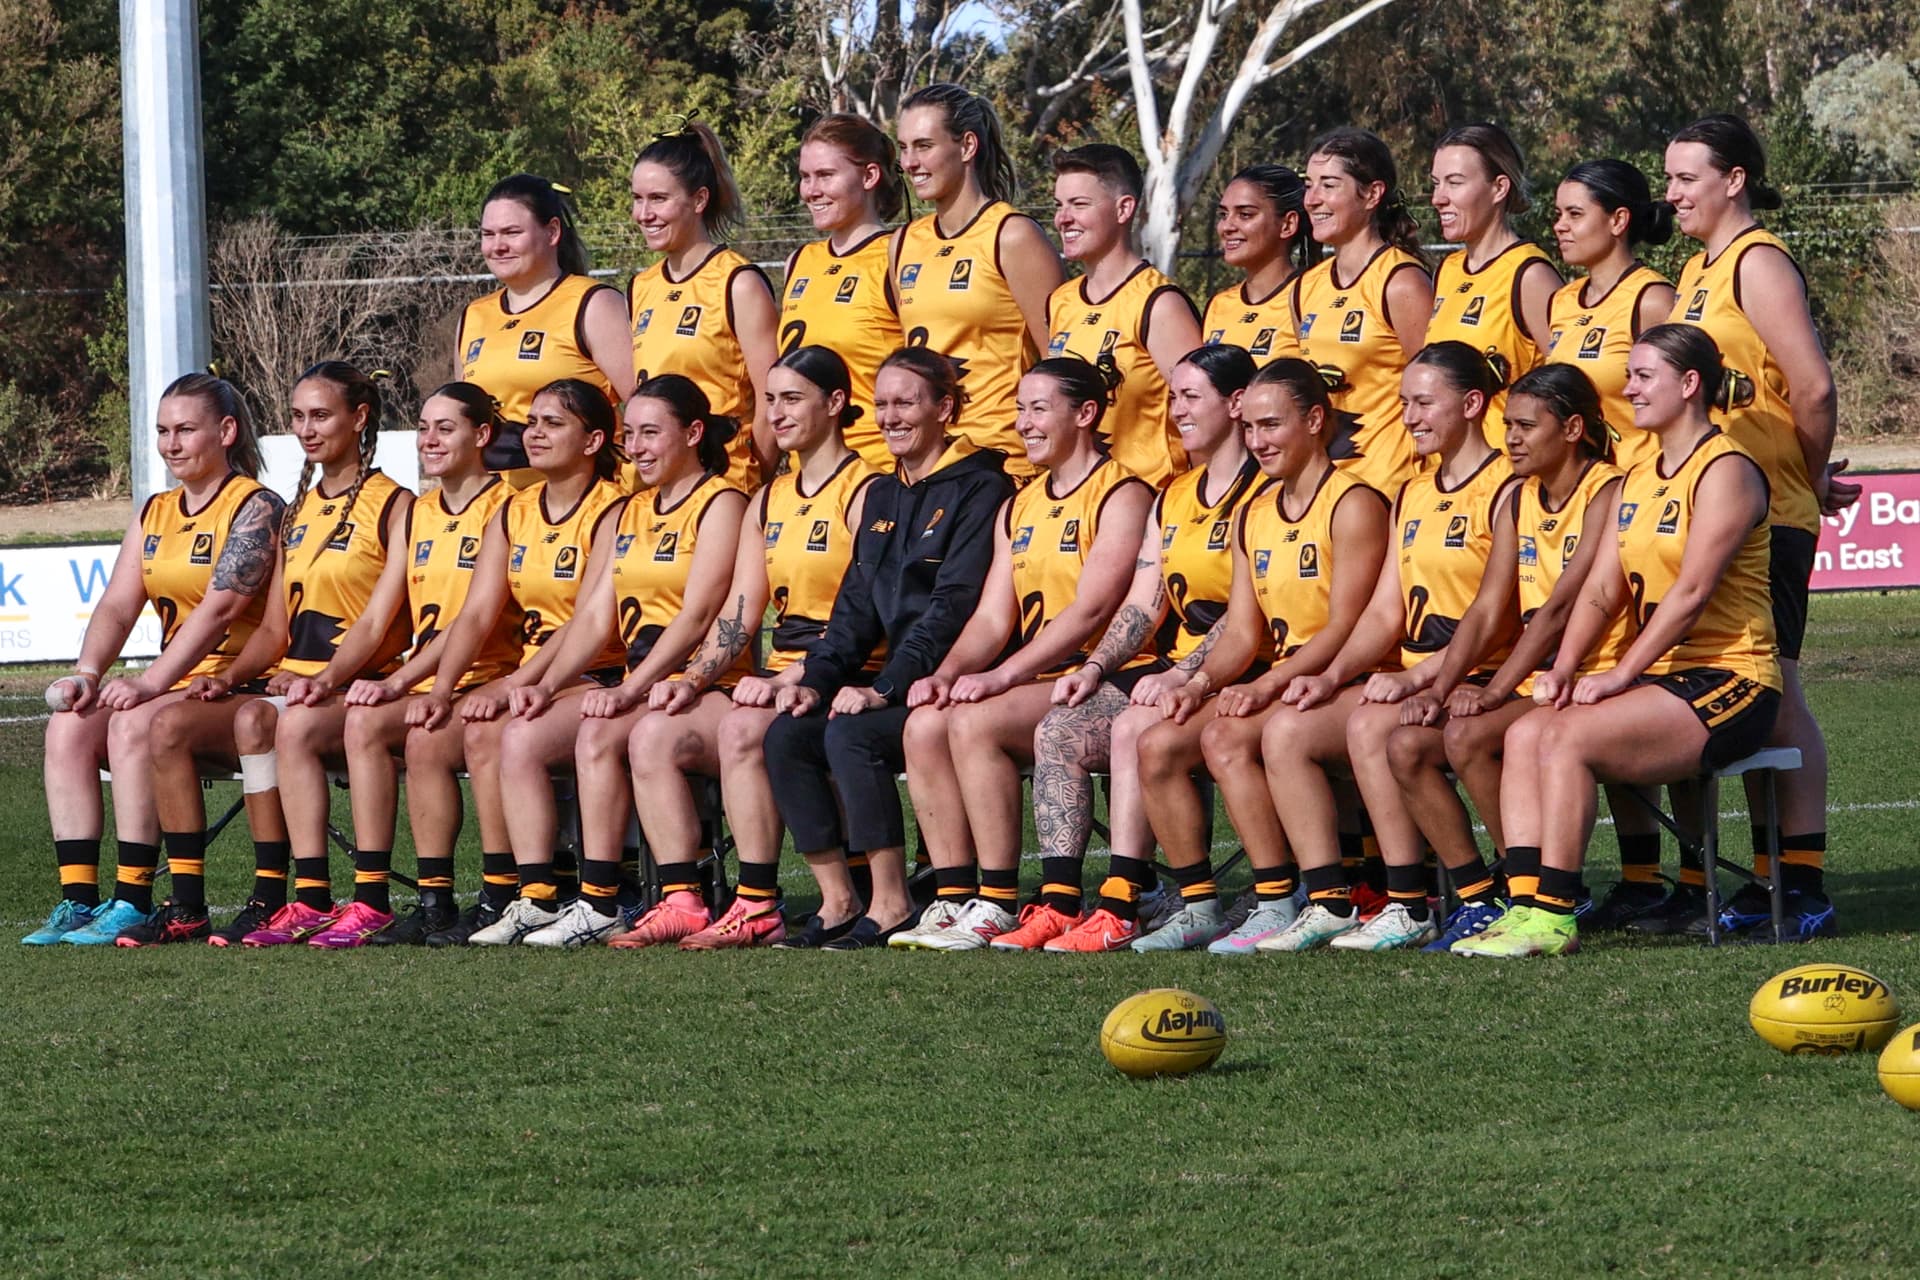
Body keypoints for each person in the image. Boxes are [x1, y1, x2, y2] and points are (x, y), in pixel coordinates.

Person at [1464, 324, 1781, 957]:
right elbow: (1601, 591)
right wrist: (1564, 667)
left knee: (1568, 738)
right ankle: (1524, 905)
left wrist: (1618, 674)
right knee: (1526, 732)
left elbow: (1691, 593)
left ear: (1689, 384)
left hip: (1732, 679)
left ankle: (1555, 916)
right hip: (1663, 682)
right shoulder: (1637, 476)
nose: (1628, 388)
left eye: (1642, 376)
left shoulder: (1727, 470)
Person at [139, 361, 413, 947]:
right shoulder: (298, 511)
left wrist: (328, 678)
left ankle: (336, 897)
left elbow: (381, 623)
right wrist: (230, 676)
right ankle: (277, 901)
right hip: (300, 689)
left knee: (279, 723)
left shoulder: (395, 504)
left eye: (321, 416)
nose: (306, 429)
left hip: (360, 686)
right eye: (297, 417)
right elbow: (273, 631)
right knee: (225, 717)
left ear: (359, 418)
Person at [1253, 342, 1515, 952]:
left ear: (1472, 404)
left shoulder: (1506, 487)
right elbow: (1384, 612)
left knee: (1374, 727)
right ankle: (1343, 901)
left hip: (1493, 676)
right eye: (1403, 403)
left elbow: (1498, 618)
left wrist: (1423, 679)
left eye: (1424, 403)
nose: (1409, 417)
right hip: (1426, 677)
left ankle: (1449, 895)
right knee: (1290, 729)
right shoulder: (1413, 492)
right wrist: (1332, 675)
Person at [1661, 113, 1852, 940]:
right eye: (1668, 179)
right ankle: (1768, 878)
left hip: (1768, 517)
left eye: (1686, 178)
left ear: (1734, 179)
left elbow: (1812, 387)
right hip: (1721, 513)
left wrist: (1806, 476)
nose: (1672, 193)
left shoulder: (1758, 261)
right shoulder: (1695, 270)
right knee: (1750, 693)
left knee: (1779, 694)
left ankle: (1801, 885)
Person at [889, 356, 1153, 952]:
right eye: (1018, 409)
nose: (1023, 423)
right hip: (1045, 677)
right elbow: (991, 616)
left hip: (1110, 674)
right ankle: (954, 896)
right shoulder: (1021, 503)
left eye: (1038, 409)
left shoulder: (1123, 493)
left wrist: (1003, 675)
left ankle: (1001, 900)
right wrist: (949, 673)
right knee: (927, 720)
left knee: (975, 722)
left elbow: (1091, 610)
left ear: (1085, 414)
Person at [473, 375, 748, 947]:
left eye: (652, 433)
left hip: (707, 687)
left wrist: (631, 687)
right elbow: (594, 619)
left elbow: (698, 615)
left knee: (614, 733)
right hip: (644, 686)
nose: (638, 447)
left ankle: (632, 898)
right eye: (632, 435)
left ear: (693, 433)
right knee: (521, 734)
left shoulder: (722, 502)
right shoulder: (631, 510)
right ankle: (542, 898)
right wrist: (546, 685)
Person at [765, 347, 1013, 950]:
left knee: (851, 735)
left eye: (906, 403)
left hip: (952, 679)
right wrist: (815, 681)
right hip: (901, 680)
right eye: (881, 404)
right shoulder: (883, 493)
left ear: (944, 409)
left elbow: (952, 608)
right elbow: (854, 610)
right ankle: (839, 901)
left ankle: (893, 901)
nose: (890, 417)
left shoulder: (982, 486)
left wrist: (884, 687)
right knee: (788, 733)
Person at [26, 374, 282, 946]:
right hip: (176, 688)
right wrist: (87, 673)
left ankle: (133, 898)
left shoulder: (256, 506)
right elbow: (118, 605)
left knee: (133, 722)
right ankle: (78, 901)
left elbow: (220, 611)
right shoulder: (156, 510)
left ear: (226, 431)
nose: (171, 443)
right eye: (163, 431)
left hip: (240, 686)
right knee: (69, 725)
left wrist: (148, 683)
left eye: (186, 429)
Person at [1389, 364, 1633, 950]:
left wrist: (1495, 690)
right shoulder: (1520, 496)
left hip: (1594, 676)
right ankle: (1493, 895)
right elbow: (1484, 608)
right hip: (1538, 678)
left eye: (1527, 426)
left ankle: (1543, 890)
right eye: (1509, 426)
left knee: (1468, 736)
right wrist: (1439, 690)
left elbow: (1560, 608)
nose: (1513, 439)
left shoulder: (1607, 490)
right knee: (1406, 745)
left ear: (1572, 429)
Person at [1030, 345, 1262, 952]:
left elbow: (1249, 614)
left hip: (1250, 666)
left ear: (1235, 403)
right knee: (1060, 730)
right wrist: (1095, 666)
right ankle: (1059, 903)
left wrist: (1186, 674)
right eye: (1173, 396)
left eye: (1191, 397)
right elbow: (1144, 601)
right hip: (1179, 667)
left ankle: (1123, 900)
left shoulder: (1264, 489)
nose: (1177, 410)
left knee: (1136, 724)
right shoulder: (1175, 493)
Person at [414, 378, 629, 945]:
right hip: (539, 678)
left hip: (598, 673)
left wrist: (517, 682)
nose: (535, 433)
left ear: (593, 441)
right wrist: (441, 690)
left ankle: (537, 892)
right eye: (532, 422)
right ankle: (508, 896)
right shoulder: (515, 509)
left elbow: (587, 621)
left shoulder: (614, 508)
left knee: (512, 734)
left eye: (553, 423)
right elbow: (476, 613)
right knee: (441, 734)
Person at [332, 384, 518, 944]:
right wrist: (328, 679)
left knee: (426, 738)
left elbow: (473, 619)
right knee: (363, 722)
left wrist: (400, 681)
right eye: (422, 427)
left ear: (481, 435)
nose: (429, 440)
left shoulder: (509, 505)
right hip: (432, 680)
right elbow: (375, 619)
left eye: (445, 428)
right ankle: (399, 899)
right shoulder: (418, 512)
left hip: (493, 677)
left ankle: (500, 894)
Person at [893, 83, 1064, 479]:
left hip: (999, 464)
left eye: (924, 146)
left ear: (967, 146)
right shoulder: (903, 243)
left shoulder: (1012, 235)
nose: (910, 162)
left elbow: (1060, 365)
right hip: (923, 468)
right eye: (904, 148)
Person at [628, 121, 779, 484]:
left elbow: (772, 403)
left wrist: (754, 485)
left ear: (699, 200)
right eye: (637, 198)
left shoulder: (738, 284)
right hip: (657, 490)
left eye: (658, 199)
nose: (643, 213)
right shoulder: (641, 286)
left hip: (722, 483)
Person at [1043, 143, 1202, 486]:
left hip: (1149, 496)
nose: (1063, 218)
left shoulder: (1159, 304)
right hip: (1079, 501)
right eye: (1059, 205)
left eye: (1079, 204)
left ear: (1124, 209)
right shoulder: (1061, 302)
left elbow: (1207, 416)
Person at [457, 174, 633, 475]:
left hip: (582, 494)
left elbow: (647, 409)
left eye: (512, 232)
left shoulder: (594, 304)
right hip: (496, 497)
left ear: (552, 232)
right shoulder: (473, 316)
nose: (498, 246)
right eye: (488, 234)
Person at [1292, 127, 1433, 496]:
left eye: (1329, 185)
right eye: (1309, 185)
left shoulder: (1401, 282)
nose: (1312, 199)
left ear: (1372, 194)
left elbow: (1437, 392)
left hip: (1387, 487)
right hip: (1324, 488)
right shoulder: (1306, 287)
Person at [1423, 123, 1563, 446]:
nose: (1438, 198)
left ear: (1499, 188)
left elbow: (1566, 388)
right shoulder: (1448, 270)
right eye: (1436, 183)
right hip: (1448, 468)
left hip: (1506, 466)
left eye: (1454, 182)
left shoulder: (1529, 274)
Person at [780, 113, 906, 469]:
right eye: (805, 177)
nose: (811, 190)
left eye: (825, 175)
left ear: (869, 176)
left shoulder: (897, 256)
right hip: (806, 476)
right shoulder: (799, 262)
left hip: (877, 470)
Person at [1543, 159, 1677, 471]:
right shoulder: (1562, 300)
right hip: (1582, 487)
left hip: (1640, 481)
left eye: (1575, 214)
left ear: (1618, 220)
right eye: (1558, 214)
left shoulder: (1652, 300)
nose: (1560, 225)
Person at [1201, 164, 1315, 360]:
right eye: (1223, 215)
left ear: (1287, 224)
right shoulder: (1219, 305)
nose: (1227, 227)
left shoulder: (1312, 300)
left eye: (1245, 215)